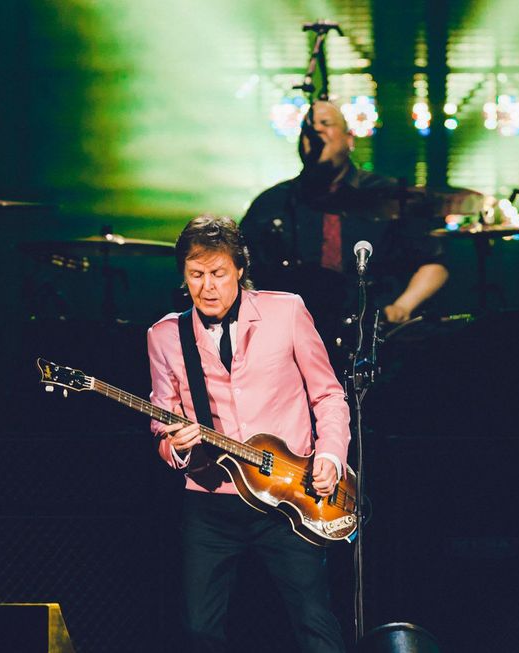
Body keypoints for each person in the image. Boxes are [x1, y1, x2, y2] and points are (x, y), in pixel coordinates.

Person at [147, 214, 349, 652]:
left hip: (288, 494)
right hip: (209, 502)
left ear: (240, 269)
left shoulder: (286, 311)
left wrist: (330, 457)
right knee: (199, 628)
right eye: (196, 275)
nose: (208, 286)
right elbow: (162, 421)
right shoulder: (165, 335)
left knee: (314, 622)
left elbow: (328, 395)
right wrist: (175, 448)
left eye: (218, 273)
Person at [240, 100, 449, 347]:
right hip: (292, 340)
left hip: (378, 339)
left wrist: (402, 307)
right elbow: (240, 270)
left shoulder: (389, 195)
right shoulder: (273, 203)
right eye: (309, 128)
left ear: (350, 140)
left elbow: (434, 263)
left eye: (325, 124)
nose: (316, 131)